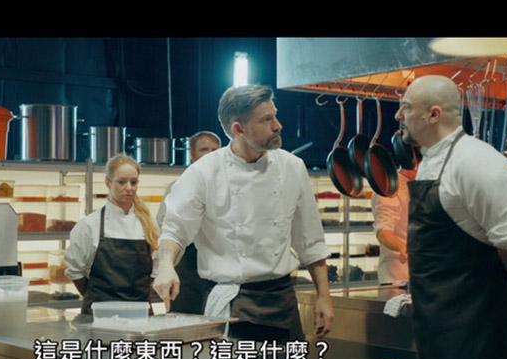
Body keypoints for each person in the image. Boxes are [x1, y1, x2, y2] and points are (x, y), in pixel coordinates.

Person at [153, 84, 334, 343]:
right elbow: (175, 231)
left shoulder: (292, 167)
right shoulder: (203, 173)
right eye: (267, 119)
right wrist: (165, 266)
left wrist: (324, 297)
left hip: (282, 299)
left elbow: (310, 241)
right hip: (232, 302)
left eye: (275, 115)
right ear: (239, 129)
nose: (278, 125)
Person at [396, 74, 507, 359]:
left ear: (434, 115)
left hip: (477, 327)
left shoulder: (476, 163)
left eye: (406, 107)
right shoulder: (430, 161)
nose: (398, 115)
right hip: (436, 322)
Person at [64, 153, 159, 315]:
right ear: (108, 183)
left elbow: (155, 270)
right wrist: (96, 298)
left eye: (133, 182)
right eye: (121, 182)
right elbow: (75, 271)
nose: (129, 188)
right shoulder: (89, 225)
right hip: (99, 316)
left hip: (139, 315)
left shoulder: (148, 224)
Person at [156, 130, 221, 314]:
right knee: (184, 321)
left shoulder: (228, 188)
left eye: (214, 150)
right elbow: (163, 227)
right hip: (187, 268)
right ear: (192, 155)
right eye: (204, 150)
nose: (210, 154)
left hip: (219, 268)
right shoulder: (178, 186)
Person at [371, 165, 418, 285]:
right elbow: (383, 232)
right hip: (397, 279)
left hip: (425, 278)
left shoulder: (424, 183)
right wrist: (402, 247)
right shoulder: (389, 185)